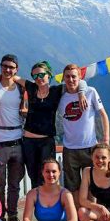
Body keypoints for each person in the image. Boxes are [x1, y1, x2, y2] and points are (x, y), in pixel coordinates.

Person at [10, 61, 87, 189]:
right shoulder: (31, 87)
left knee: (48, 175)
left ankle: (49, 205)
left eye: (41, 75)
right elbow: (12, 76)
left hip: (47, 141)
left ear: (49, 75)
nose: (38, 79)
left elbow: (79, 80)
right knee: (33, 175)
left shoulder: (57, 91)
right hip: (29, 141)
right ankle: (37, 205)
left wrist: (81, 93)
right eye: (35, 76)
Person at [58, 63, 110, 211]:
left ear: (80, 77)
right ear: (63, 78)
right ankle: (80, 218)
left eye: (74, 76)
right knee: (73, 186)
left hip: (90, 147)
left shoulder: (90, 92)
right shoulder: (60, 97)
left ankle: (91, 215)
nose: (71, 80)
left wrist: (106, 140)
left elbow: (103, 115)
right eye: (67, 76)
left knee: (92, 185)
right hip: (69, 148)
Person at [0, 54, 26, 221]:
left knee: (15, 184)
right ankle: (0, 217)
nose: (8, 70)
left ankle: (13, 217)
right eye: (5, 66)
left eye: (11, 67)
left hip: (18, 139)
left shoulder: (20, 87)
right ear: (0, 66)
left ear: (16, 69)